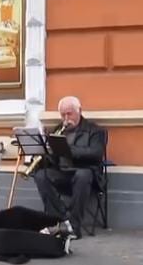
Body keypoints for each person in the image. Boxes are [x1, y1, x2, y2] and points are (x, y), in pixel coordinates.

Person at [32, 96, 106, 239]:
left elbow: (96, 154)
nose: (66, 118)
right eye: (63, 114)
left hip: (86, 174)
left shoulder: (95, 130)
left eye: (69, 113)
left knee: (83, 175)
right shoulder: (58, 130)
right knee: (41, 175)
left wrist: (68, 150)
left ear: (79, 111)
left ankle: (74, 226)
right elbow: (54, 159)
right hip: (63, 173)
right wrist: (45, 155)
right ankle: (59, 220)